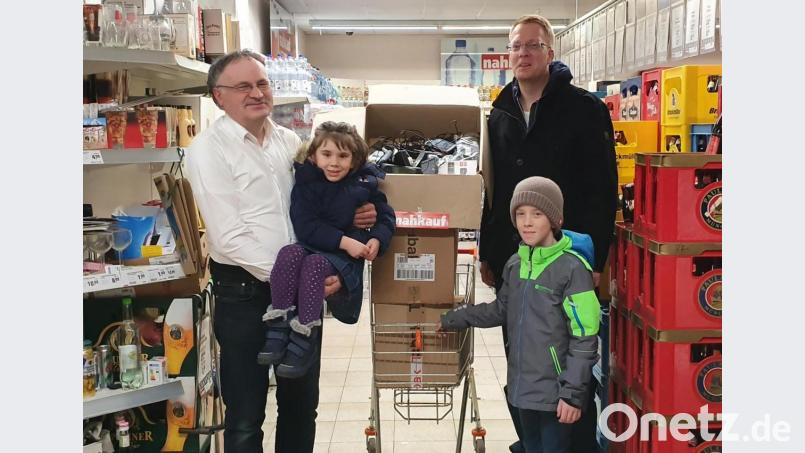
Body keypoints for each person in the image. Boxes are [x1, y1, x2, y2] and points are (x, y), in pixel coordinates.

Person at [185, 50, 376, 453]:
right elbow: (229, 235)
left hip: (300, 287)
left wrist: (359, 215)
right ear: (219, 96)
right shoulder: (208, 151)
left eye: (262, 83)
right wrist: (294, 280)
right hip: (245, 293)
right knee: (245, 416)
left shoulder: (290, 143)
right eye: (243, 86)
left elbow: (321, 207)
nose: (257, 93)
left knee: (301, 406)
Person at [479, 14, 617, 453]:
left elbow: (602, 190)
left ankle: (576, 447)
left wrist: (595, 261)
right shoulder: (498, 115)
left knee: (570, 364)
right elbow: (491, 191)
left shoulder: (584, 109)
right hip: (516, 264)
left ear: (550, 53)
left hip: (568, 261)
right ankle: (532, 442)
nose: (523, 53)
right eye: (516, 46)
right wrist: (488, 251)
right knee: (523, 361)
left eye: (532, 45)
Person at [439, 177, 601, 453]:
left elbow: (585, 337)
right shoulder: (515, 264)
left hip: (556, 394)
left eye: (537, 214)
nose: (527, 222)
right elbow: (500, 310)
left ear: (555, 219)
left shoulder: (572, 270)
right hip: (521, 389)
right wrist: (455, 318)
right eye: (520, 214)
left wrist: (573, 396)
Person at [258, 121, 396, 378]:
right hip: (319, 243)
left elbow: (386, 217)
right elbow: (305, 225)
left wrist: (377, 238)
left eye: (343, 156)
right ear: (313, 155)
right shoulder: (306, 183)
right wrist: (347, 240)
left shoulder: (365, 183)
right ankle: (278, 325)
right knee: (288, 254)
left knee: (314, 266)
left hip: (341, 258)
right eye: (327, 154)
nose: (334, 163)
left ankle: (304, 336)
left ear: (355, 160)